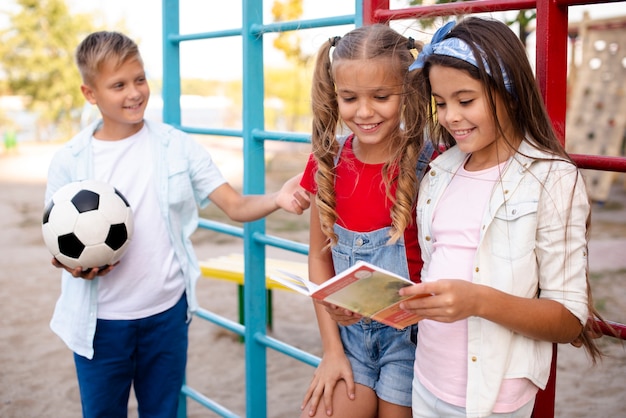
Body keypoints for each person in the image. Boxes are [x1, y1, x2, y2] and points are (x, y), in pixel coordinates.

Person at [45, 31, 309, 418]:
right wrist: (73, 266)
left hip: (165, 314)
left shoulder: (176, 146)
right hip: (99, 323)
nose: (134, 93)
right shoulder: (69, 161)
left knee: (164, 411)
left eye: (139, 79)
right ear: (90, 94)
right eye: (118, 85)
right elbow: (57, 243)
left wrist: (277, 199)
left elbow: (234, 204)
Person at [398, 17, 605, 417]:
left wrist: (477, 300)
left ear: (509, 93)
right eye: (440, 103)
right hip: (424, 380)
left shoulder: (552, 179)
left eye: (465, 100)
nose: (450, 117)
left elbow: (568, 320)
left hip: (492, 399)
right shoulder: (440, 170)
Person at [299, 24, 429, 418]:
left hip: (412, 340)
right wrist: (331, 351)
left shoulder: (431, 165)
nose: (365, 111)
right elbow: (320, 260)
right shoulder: (327, 163)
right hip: (349, 338)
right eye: (349, 98)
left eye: (381, 96)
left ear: (407, 93)